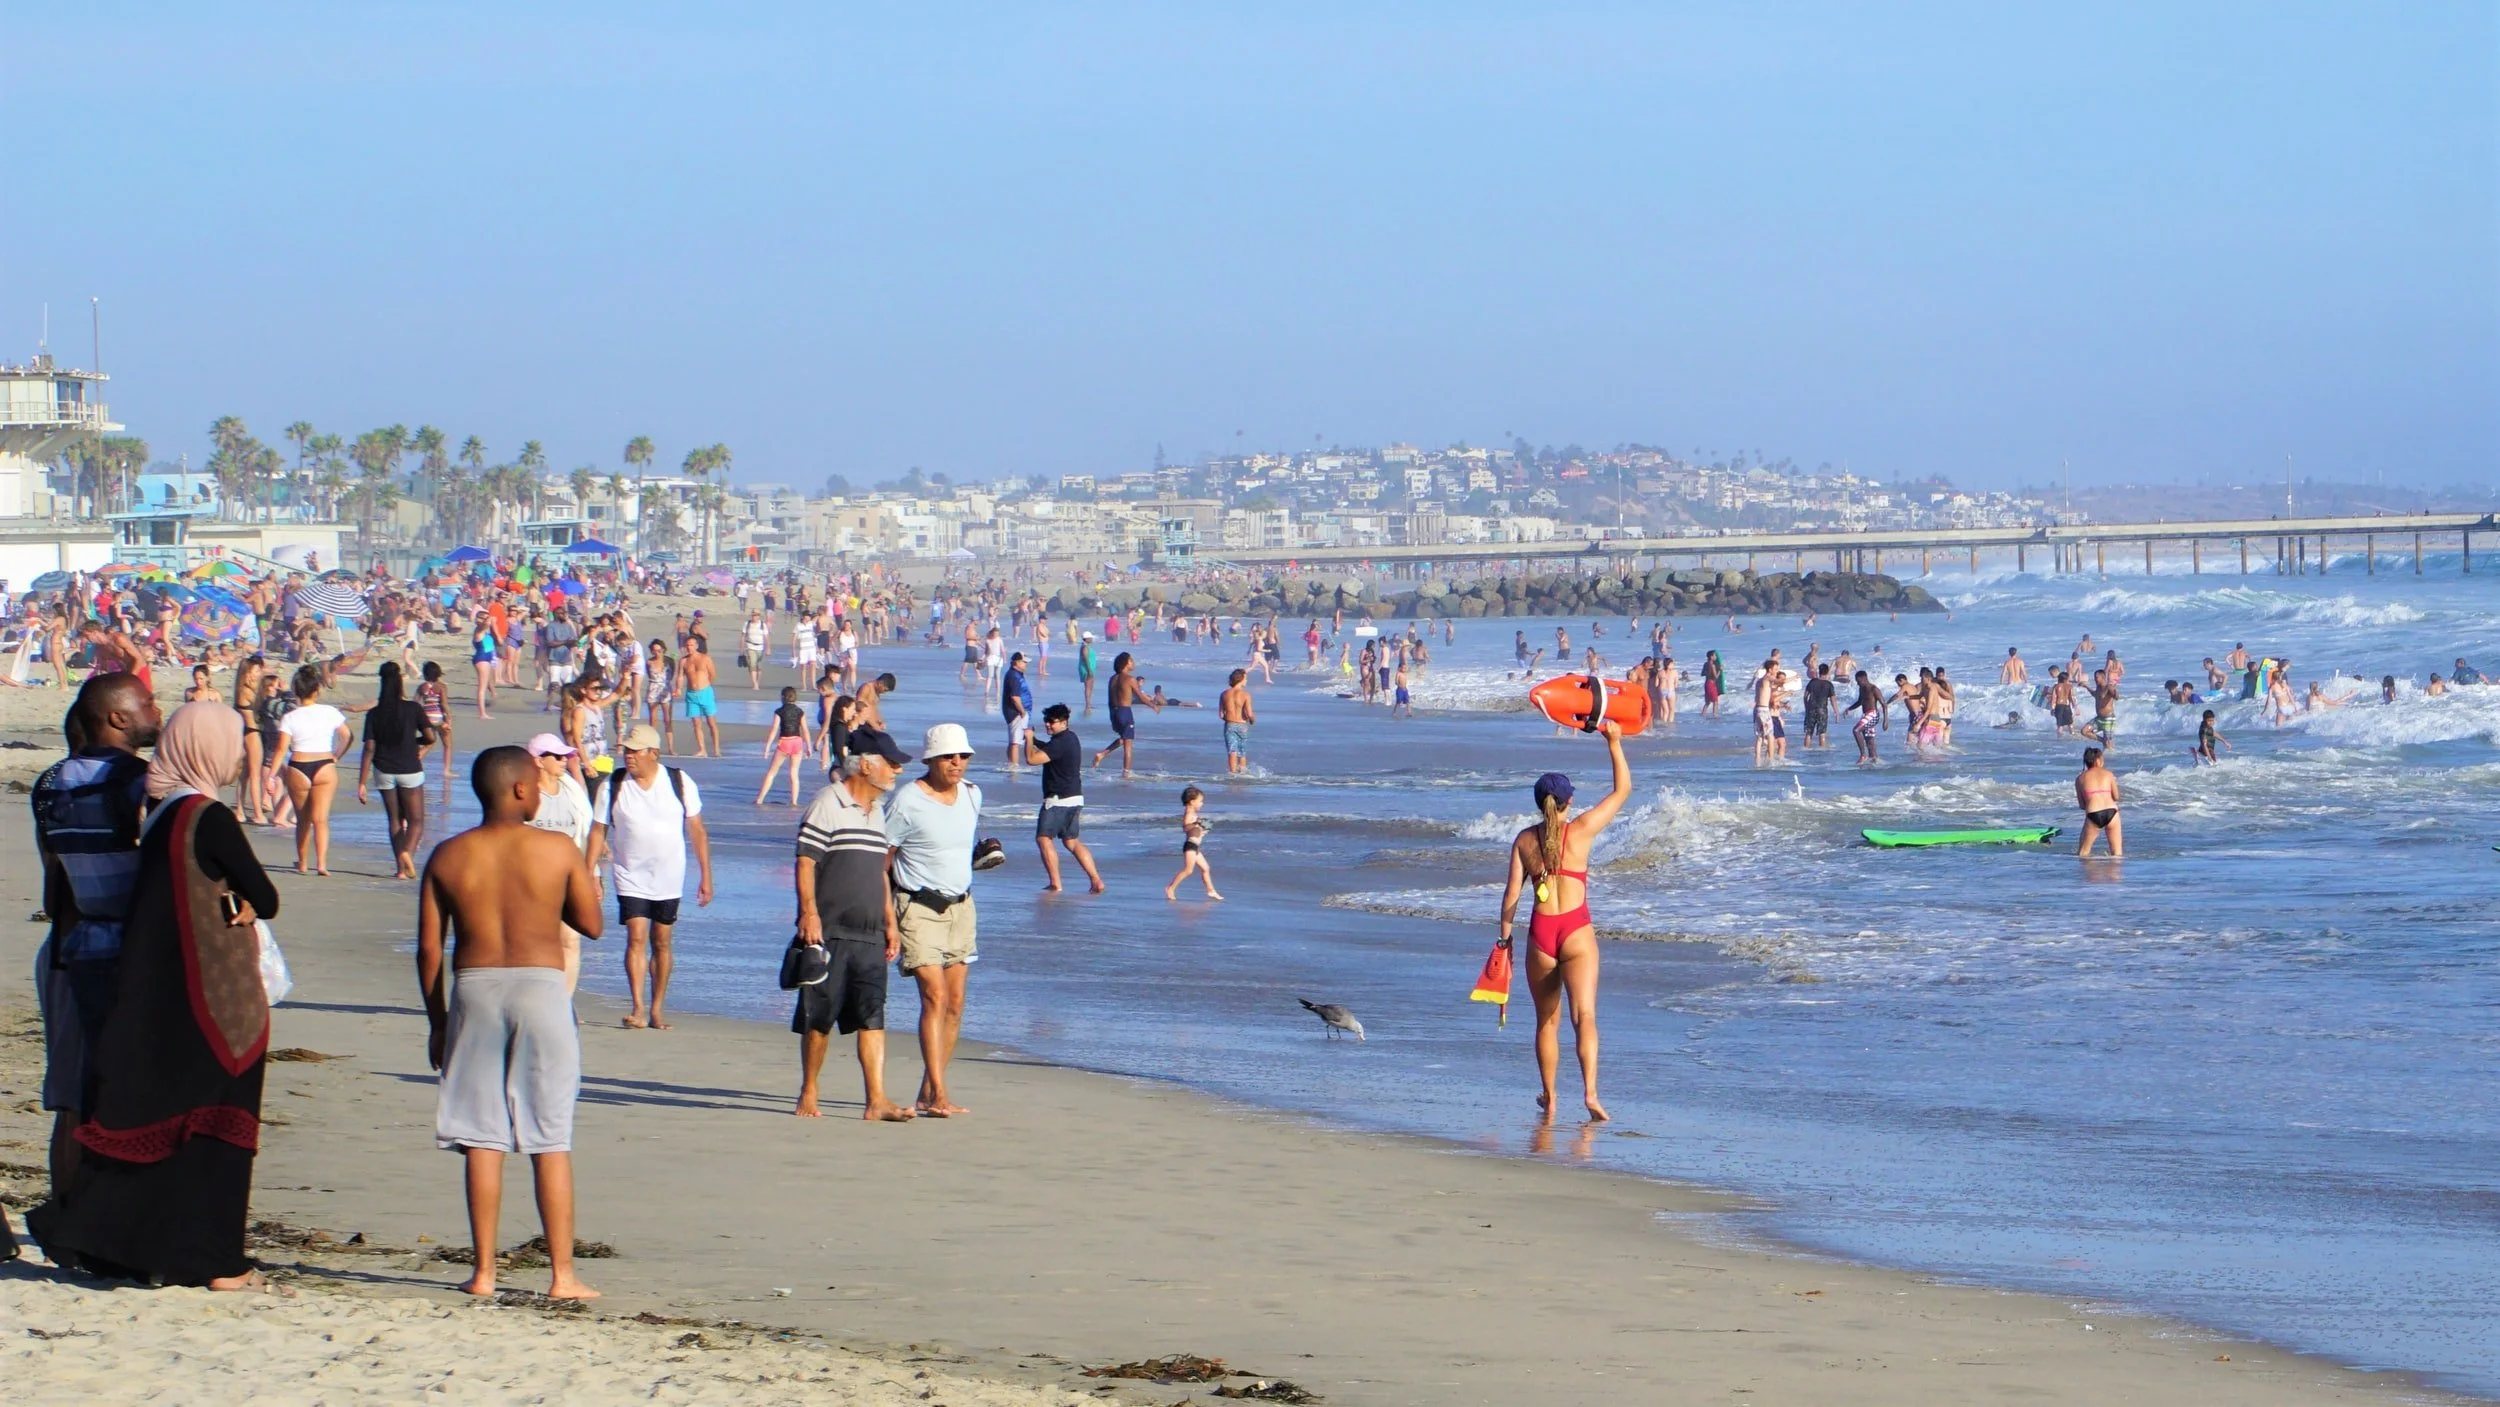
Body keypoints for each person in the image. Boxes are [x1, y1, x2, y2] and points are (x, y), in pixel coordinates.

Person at [29, 700, 278, 1289]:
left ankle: (129, 1245)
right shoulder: (206, 815)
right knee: (219, 1128)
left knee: (130, 1115)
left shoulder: (161, 813)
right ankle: (222, 1263)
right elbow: (265, 898)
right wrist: (243, 904)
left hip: (147, 980)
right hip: (215, 998)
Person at [417, 745, 604, 1300]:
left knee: (481, 1138)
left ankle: (484, 1273)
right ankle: (562, 1276)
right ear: (521, 790)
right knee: (550, 1137)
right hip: (541, 988)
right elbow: (591, 923)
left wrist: (436, 1021)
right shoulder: (555, 848)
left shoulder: (449, 855)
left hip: (475, 989)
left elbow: (430, 950)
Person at [29, 674, 159, 1209]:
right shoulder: (141, 782)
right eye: (147, 702)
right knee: (125, 1096)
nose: (158, 708)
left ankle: (66, 1219)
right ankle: (117, 1219)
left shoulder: (50, 782)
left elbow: (54, 880)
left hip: (66, 945)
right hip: (121, 950)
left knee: (71, 1099)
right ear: (119, 718)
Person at [1495, 723, 1631, 1124]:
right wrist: (1614, 742)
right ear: (1569, 802)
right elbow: (1622, 790)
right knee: (1584, 1016)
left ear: (1541, 805)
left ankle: (1551, 1099)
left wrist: (1503, 944)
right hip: (1575, 931)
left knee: (1546, 1022)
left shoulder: (1524, 840)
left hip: (1540, 935)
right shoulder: (1582, 830)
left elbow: (1510, 899)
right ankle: (1590, 1094)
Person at [792, 725, 916, 1121]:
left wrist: (890, 922)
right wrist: (808, 913)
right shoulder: (827, 803)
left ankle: (876, 1099)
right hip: (830, 931)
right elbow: (805, 861)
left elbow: (880, 871)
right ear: (865, 766)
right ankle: (809, 1089)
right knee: (819, 1018)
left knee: (872, 1014)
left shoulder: (877, 812)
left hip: (870, 934)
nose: (897, 771)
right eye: (891, 765)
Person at [882, 723, 983, 1118]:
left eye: (962, 756)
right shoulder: (907, 801)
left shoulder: (973, 795)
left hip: (962, 908)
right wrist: (887, 916)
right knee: (934, 997)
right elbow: (882, 860)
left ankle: (928, 1090)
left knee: (955, 1004)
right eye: (948, 757)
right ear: (931, 760)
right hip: (918, 908)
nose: (957, 763)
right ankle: (939, 1094)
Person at [587, 724, 713, 1030]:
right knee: (636, 937)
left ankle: (657, 1008)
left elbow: (696, 829)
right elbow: (597, 829)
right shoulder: (613, 785)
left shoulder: (679, 782)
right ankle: (638, 1008)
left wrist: (706, 876)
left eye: (635, 751)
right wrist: (588, 870)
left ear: (653, 753)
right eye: (627, 750)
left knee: (662, 941)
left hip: (669, 875)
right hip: (629, 874)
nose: (628, 756)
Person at [524, 733, 597, 992]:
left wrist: (593, 875)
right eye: (557, 756)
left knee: (570, 940)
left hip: (568, 877)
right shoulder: (525, 792)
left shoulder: (571, 791)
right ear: (538, 761)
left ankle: (563, 1002)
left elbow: (585, 834)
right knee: (536, 941)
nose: (564, 760)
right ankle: (535, 997)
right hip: (532, 879)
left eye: (565, 756)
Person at [357, 661, 437, 880]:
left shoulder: (374, 713)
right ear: (401, 681)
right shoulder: (413, 708)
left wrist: (361, 782)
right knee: (417, 821)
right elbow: (431, 737)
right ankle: (406, 855)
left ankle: (401, 870)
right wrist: (413, 741)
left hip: (383, 770)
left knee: (394, 820)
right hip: (409, 768)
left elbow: (369, 747)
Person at [272, 664, 350, 876]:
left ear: (297, 691)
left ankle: (304, 862)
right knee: (321, 819)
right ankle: (322, 864)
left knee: (303, 819)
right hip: (324, 764)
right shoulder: (329, 712)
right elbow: (346, 735)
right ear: (317, 690)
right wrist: (336, 755)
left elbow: (280, 750)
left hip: (299, 766)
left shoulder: (289, 717)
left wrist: (270, 776)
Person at [1025, 703, 1104, 893]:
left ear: (1064, 722)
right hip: (1075, 798)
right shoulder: (1069, 738)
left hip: (1058, 800)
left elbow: (1032, 759)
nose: (1048, 725)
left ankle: (1055, 884)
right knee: (1071, 841)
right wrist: (1035, 740)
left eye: (1052, 722)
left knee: (1044, 839)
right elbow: (1050, 751)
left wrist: (1028, 740)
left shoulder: (1059, 743)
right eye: (1046, 721)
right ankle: (1096, 880)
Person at [1091, 652, 1161, 777]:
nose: (1133, 663)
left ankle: (1102, 754)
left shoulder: (1113, 678)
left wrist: (1112, 716)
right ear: (1125, 663)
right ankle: (1126, 773)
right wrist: (1153, 706)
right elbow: (1141, 697)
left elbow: (1110, 698)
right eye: (1131, 661)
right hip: (1125, 712)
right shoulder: (1130, 679)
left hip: (1114, 711)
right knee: (1128, 745)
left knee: (1123, 739)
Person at [755, 685, 814, 806]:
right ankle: (794, 801)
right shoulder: (800, 711)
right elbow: (806, 730)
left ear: (783, 697)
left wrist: (767, 748)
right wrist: (808, 746)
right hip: (797, 742)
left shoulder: (779, 712)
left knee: (772, 772)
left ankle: (760, 799)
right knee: (794, 773)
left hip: (785, 742)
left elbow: (774, 730)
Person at [1164, 785, 1220, 901]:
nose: (1202, 804)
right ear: (1192, 802)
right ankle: (1170, 888)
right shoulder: (1189, 813)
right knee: (1188, 870)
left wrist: (1202, 828)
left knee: (1206, 868)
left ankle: (1211, 891)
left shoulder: (1193, 813)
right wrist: (1197, 825)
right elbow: (1185, 827)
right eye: (1200, 801)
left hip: (1195, 846)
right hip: (1190, 846)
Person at [417, 659, 456, 807]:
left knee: (428, 742)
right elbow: (444, 704)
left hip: (425, 717)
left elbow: (416, 702)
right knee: (447, 744)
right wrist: (449, 720)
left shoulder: (422, 687)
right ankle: (446, 770)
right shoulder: (441, 687)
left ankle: (418, 760)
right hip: (438, 718)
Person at [2075, 746, 2122, 858]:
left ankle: (2088, 875)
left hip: (2094, 813)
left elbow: (2082, 805)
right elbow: (2116, 797)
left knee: (2083, 853)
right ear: (2098, 760)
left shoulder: (2080, 778)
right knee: (2117, 854)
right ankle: (2114, 875)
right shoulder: (2109, 774)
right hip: (2112, 812)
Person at [679, 637, 721, 758]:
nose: (689, 648)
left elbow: (713, 675)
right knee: (696, 723)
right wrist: (678, 688)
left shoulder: (705, 658)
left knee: (711, 722)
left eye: (691, 645)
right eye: (687, 645)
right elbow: (680, 677)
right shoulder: (683, 661)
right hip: (691, 694)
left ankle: (716, 749)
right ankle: (702, 749)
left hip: (705, 692)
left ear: (696, 646)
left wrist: (705, 685)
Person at [1000, 651, 1034, 776]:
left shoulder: (1015, 675)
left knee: (1014, 740)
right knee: (1016, 741)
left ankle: (1011, 764)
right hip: (1016, 713)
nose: (1026, 665)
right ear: (1017, 662)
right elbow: (1015, 697)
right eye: (1024, 662)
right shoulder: (1014, 676)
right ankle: (1014, 767)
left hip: (1015, 712)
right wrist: (1022, 711)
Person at [1218, 668, 1255, 775]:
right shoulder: (1246, 695)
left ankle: (1232, 772)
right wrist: (1252, 720)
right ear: (1241, 679)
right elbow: (1249, 714)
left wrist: (1229, 718)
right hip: (1242, 725)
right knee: (1242, 752)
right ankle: (1242, 772)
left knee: (1232, 751)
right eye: (1246, 678)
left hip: (1229, 724)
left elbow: (1221, 714)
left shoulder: (1224, 694)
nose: (1246, 681)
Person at [1802, 663, 1835, 750]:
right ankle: (1822, 750)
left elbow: (1805, 696)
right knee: (1822, 733)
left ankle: (1806, 749)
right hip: (1822, 710)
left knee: (1809, 732)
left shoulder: (1812, 682)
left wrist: (1806, 707)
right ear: (1827, 672)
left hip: (1811, 709)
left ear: (1819, 671)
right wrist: (1837, 712)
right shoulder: (1829, 684)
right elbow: (1833, 700)